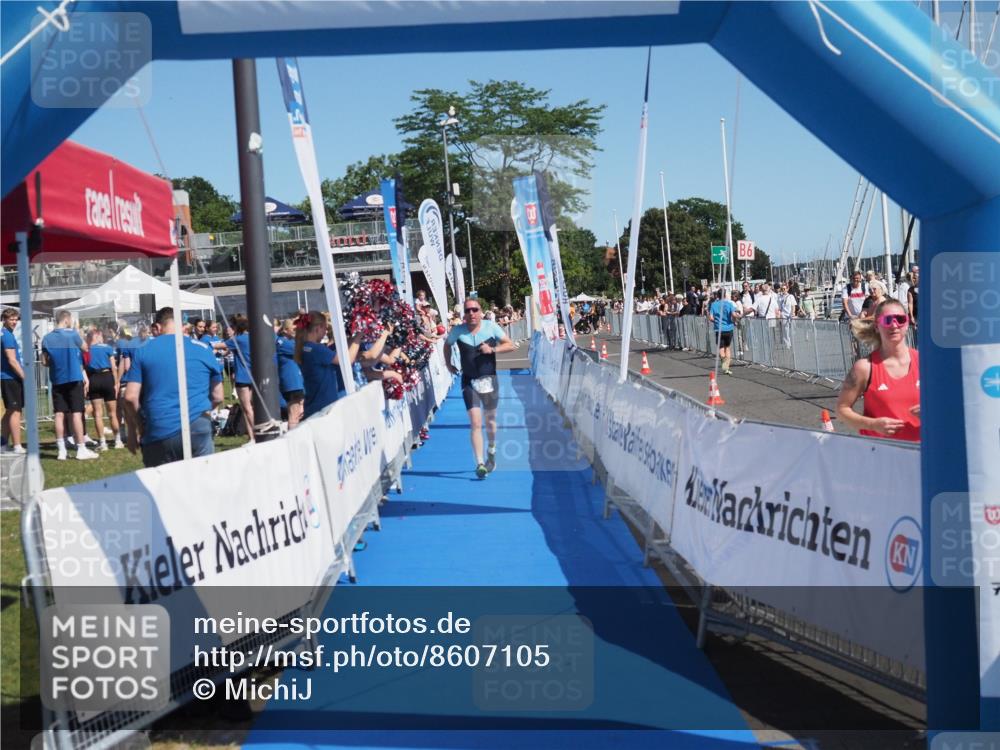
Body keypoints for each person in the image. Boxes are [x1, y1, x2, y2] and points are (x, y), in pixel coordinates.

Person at [124, 307, 224, 467]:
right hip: (198, 426)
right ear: (183, 326)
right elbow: (218, 395)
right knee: (202, 485)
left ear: (156, 327)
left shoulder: (143, 351)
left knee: (162, 489)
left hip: (159, 427)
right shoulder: (204, 349)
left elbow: (130, 397)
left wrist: (139, 426)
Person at [444, 297, 515, 479]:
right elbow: (447, 345)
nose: (471, 313)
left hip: (489, 380)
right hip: (469, 381)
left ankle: (491, 448)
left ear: (481, 311)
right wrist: (448, 364)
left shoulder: (491, 327)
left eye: (474, 310)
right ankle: (480, 463)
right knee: (475, 422)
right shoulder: (457, 331)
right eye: (467, 311)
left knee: (490, 421)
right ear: (463, 314)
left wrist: (492, 350)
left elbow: (510, 345)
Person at [836, 298, 920, 442]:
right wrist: (873, 424)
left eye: (900, 319)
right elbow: (842, 410)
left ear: (907, 323)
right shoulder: (864, 368)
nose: (894, 325)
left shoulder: (925, 363)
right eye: (887, 320)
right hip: (880, 455)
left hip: (922, 454)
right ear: (877, 325)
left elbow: (952, 404)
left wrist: (934, 412)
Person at [41, 311, 98, 460]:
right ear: (66, 320)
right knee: (76, 413)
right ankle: (81, 449)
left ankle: (61, 450)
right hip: (73, 378)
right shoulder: (72, 335)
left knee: (59, 414)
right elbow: (86, 348)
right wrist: (78, 332)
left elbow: (44, 362)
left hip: (57, 380)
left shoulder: (46, 339)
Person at [294, 311, 357, 419]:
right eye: (325, 329)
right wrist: (358, 338)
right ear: (317, 328)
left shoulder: (306, 348)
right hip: (323, 408)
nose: (326, 332)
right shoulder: (317, 349)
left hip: (314, 406)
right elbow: (348, 361)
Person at [85, 329, 123, 450]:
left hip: (93, 379)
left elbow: (85, 367)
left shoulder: (87, 350)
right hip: (107, 378)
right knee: (112, 413)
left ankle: (103, 443)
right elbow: (113, 366)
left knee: (98, 414)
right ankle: (118, 440)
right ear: (97, 336)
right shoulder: (107, 348)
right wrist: (116, 382)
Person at [225, 315, 255, 441]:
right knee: (249, 408)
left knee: (247, 408)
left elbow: (220, 346)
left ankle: (256, 435)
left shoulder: (238, 339)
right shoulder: (253, 338)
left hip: (242, 377)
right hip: (253, 376)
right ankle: (251, 437)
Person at [1, 308, 25, 453]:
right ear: (4, 319)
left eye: (16, 319)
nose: (14, 322)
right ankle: (17, 445)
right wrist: (24, 376)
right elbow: (12, 360)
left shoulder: (5, 334)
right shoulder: (7, 336)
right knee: (16, 411)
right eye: (11, 319)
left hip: (6, 377)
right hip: (10, 377)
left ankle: (2, 444)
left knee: (10, 411)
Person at [276, 320, 305, 429]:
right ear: (285, 330)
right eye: (294, 329)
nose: (296, 331)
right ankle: (292, 439)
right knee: (294, 414)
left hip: (296, 382)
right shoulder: (283, 343)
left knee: (297, 413)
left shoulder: (290, 342)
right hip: (292, 383)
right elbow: (302, 351)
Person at [708, 289, 742, 375]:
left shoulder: (713, 305)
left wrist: (716, 322)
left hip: (719, 329)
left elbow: (711, 318)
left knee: (721, 348)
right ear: (725, 295)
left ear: (717, 296)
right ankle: (727, 367)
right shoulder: (729, 304)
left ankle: (724, 363)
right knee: (728, 347)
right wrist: (738, 317)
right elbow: (734, 315)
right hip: (729, 328)